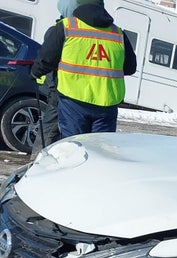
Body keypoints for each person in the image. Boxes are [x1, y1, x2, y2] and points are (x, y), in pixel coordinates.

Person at [30, 0, 136, 138]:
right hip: (107, 104)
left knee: (74, 147)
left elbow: (46, 57)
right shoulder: (118, 33)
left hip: (73, 100)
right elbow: (130, 68)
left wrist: (34, 72)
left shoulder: (67, 27)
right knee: (99, 149)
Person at [31, 0, 79, 153]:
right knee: (50, 129)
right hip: (58, 90)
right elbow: (48, 60)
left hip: (62, 90)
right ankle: (37, 163)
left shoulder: (64, 28)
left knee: (52, 129)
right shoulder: (61, 30)